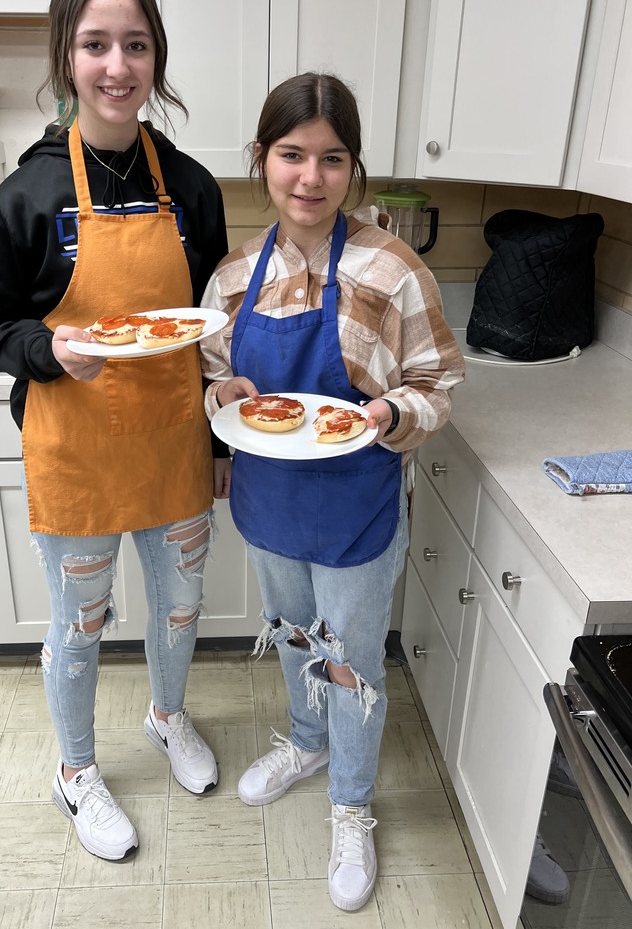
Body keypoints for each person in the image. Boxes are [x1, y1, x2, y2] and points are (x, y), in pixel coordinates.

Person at [0, 0, 229, 862]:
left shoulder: (190, 188)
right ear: (66, 57)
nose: (118, 66)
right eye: (95, 44)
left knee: (181, 608)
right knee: (81, 622)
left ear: (157, 57)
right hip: (74, 445)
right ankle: (75, 771)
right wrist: (49, 349)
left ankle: (166, 715)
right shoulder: (27, 195)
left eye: (137, 44)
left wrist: (226, 430)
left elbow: (210, 324)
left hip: (175, 443)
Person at [200, 72, 465, 911]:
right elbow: (211, 373)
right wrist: (222, 398)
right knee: (291, 635)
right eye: (291, 156)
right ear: (261, 161)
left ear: (352, 168)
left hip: (356, 504)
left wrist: (389, 409)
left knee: (351, 663)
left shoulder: (392, 267)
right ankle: (307, 744)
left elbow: (438, 382)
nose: (309, 178)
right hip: (270, 503)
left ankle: (351, 804)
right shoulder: (237, 274)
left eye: (331, 158)